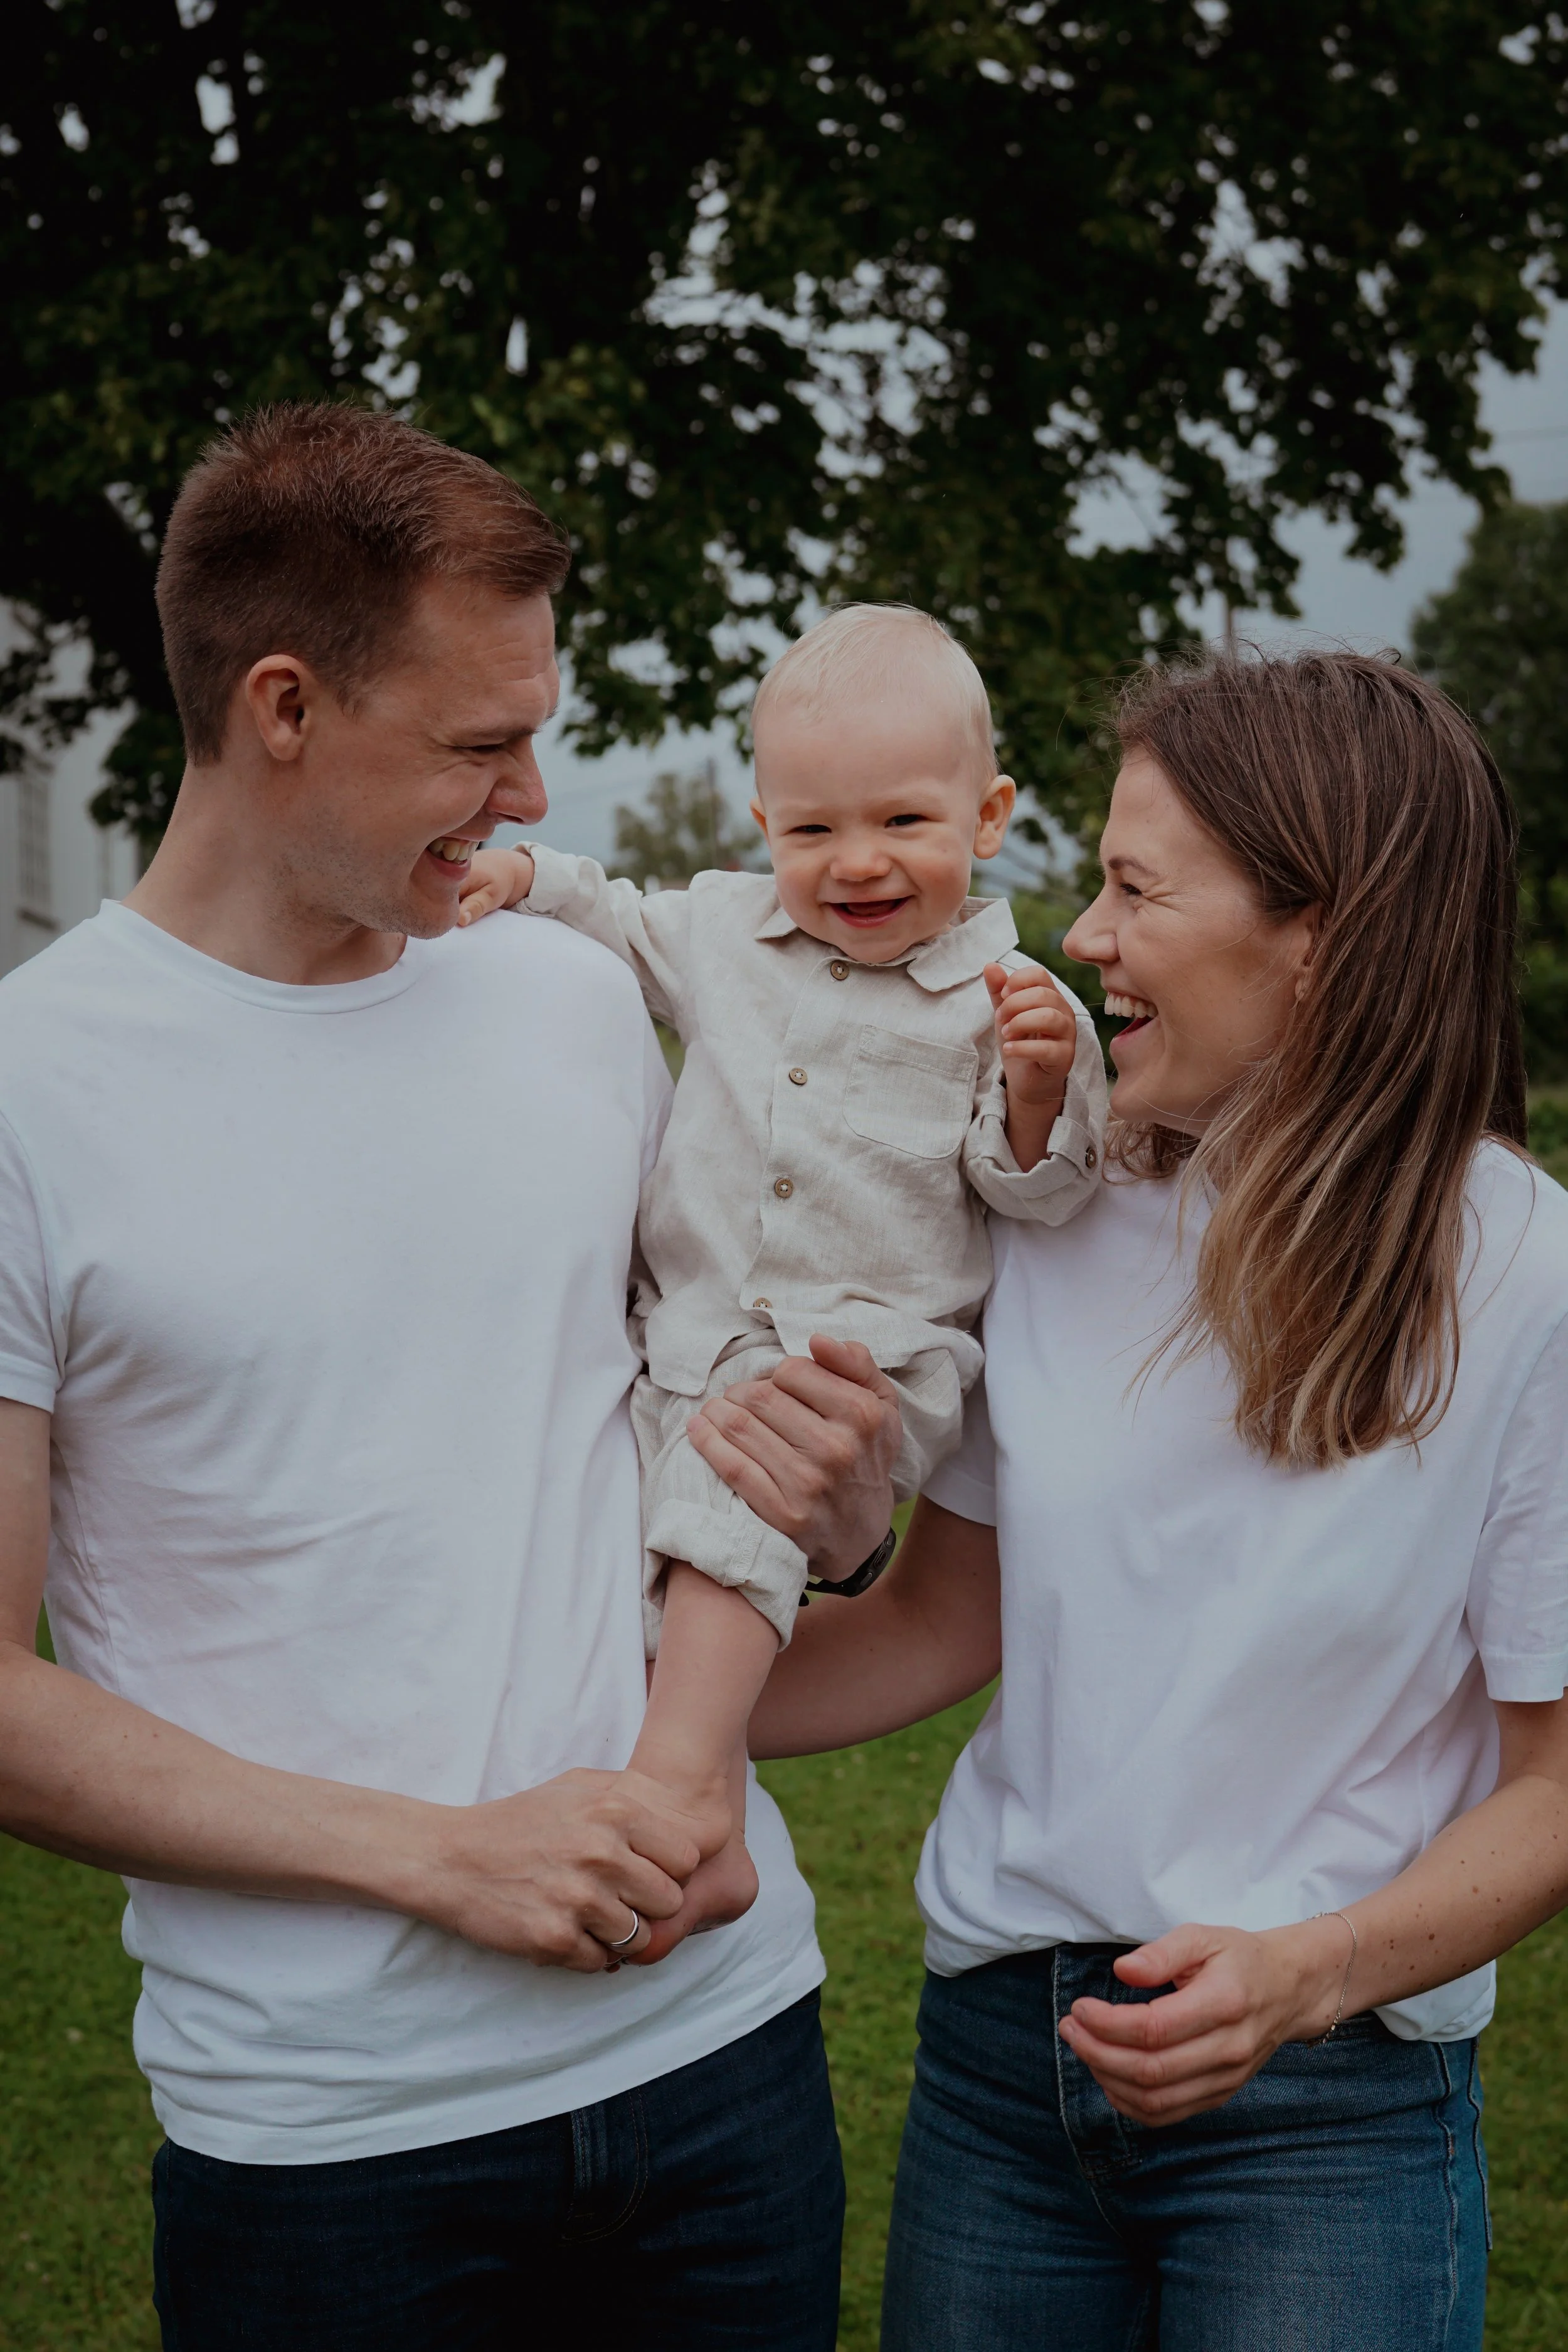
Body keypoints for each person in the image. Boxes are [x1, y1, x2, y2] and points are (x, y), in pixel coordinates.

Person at [0, 401, 901, 2351]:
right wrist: (442, 1855)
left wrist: (840, 1514)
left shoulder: (574, 1003)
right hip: (331, 2151)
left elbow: (710, 1431)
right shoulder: (28, 1094)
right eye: (480, 743)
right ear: (282, 707)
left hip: (726, 2058)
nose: (528, 795)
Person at [748, 650, 1568, 2351]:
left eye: (1133, 887)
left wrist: (1312, 1972)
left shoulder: (1525, 1272)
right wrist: (611, 1719)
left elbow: (1550, 1778)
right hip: (998, 2071)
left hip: (1324, 2113)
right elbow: (935, 1616)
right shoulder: (1056, 1209)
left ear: (1317, 934)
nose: (1087, 938)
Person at [455, 603, 1108, 1948]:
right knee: (632, 1545)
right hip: (685, 1333)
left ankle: (688, 1802)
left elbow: (1033, 1191)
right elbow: (621, 921)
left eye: (902, 825)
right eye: (812, 831)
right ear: (763, 825)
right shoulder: (723, 937)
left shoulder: (1011, 1002)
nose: (855, 863)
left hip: (864, 1355)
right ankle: (639, 1769)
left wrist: (1042, 1090)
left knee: (733, 1494)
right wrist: (530, 882)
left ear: (985, 819)